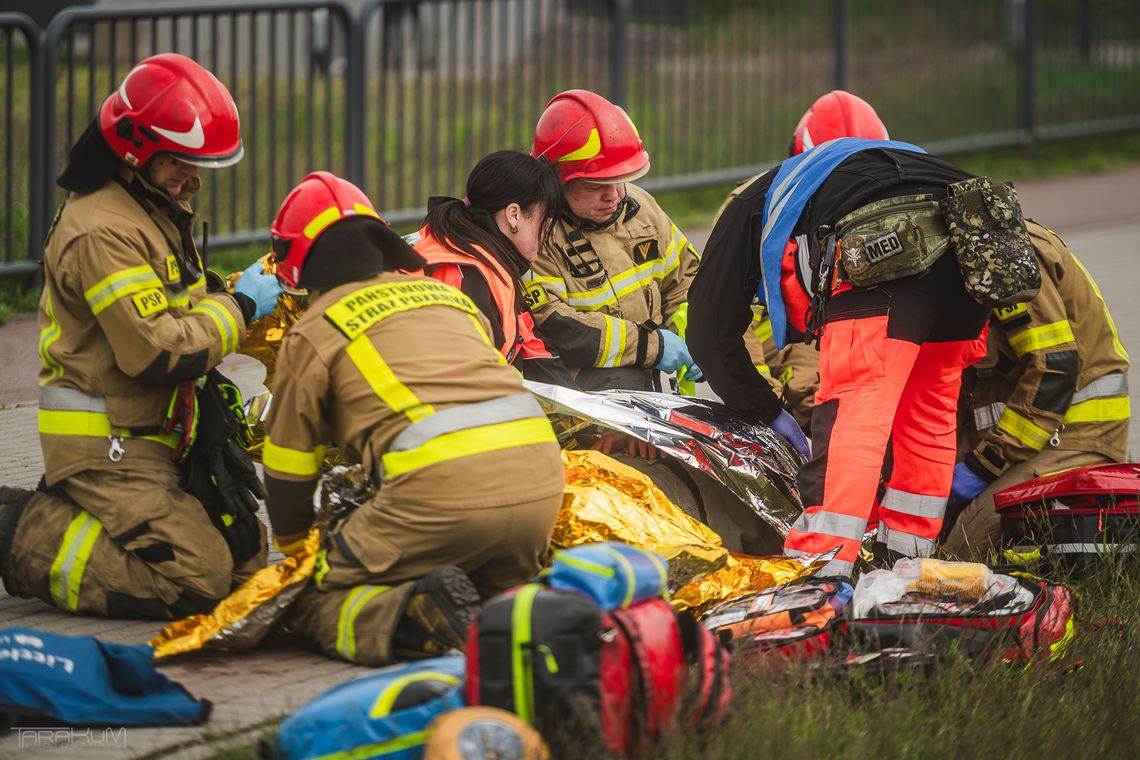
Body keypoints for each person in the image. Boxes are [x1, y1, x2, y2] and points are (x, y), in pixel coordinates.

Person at [0, 54, 282, 618]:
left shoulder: (150, 208)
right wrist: (242, 305)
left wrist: (225, 293)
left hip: (162, 436)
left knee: (247, 565)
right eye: (182, 162)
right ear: (136, 150)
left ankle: (82, 518)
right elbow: (157, 350)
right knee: (198, 581)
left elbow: (179, 308)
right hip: (108, 447)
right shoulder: (101, 229)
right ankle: (22, 530)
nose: (194, 179)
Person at [262, 172, 565, 666]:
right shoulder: (447, 299)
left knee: (309, 599)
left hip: (439, 499)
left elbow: (287, 469)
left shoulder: (316, 329)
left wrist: (303, 557)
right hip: (539, 486)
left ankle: (413, 620)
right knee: (493, 603)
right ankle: (534, 627)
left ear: (294, 264)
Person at [688, 137, 997, 577]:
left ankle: (819, 575)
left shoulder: (748, 205)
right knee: (928, 412)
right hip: (972, 243)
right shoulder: (848, 172)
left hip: (888, 242)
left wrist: (768, 413)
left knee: (855, 409)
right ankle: (908, 569)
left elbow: (707, 334)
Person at [941, 222, 1130, 558]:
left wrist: (980, 468)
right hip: (1012, 438)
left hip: (1073, 432)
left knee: (967, 540)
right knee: (922, 525)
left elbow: (1053, 370)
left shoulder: (1000, 248)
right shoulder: (944, 255)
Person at [711, 90, 890, 431]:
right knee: (819, 402)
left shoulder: (895, 201)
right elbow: (726, 320)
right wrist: (762, 404)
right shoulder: (752, 208)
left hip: (863, 333)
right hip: (793, 337)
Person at [524, 89, 702, 392]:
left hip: (651, 383)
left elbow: (687, 280)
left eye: (621, 178)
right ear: (555, 182)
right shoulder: (535, 234)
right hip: (584, 398)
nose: (616, 195)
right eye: (597, 186)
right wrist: (653, 346)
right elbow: (558, 328)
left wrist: (700, 340)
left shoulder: (641, 207)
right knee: (624, 381)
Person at [408, 151, 572, 383]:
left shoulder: (467, 249)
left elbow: (530, 344)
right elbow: (472, 385)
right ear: (513, 215)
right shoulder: (468, 278)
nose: (549, 232)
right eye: (545, 220)